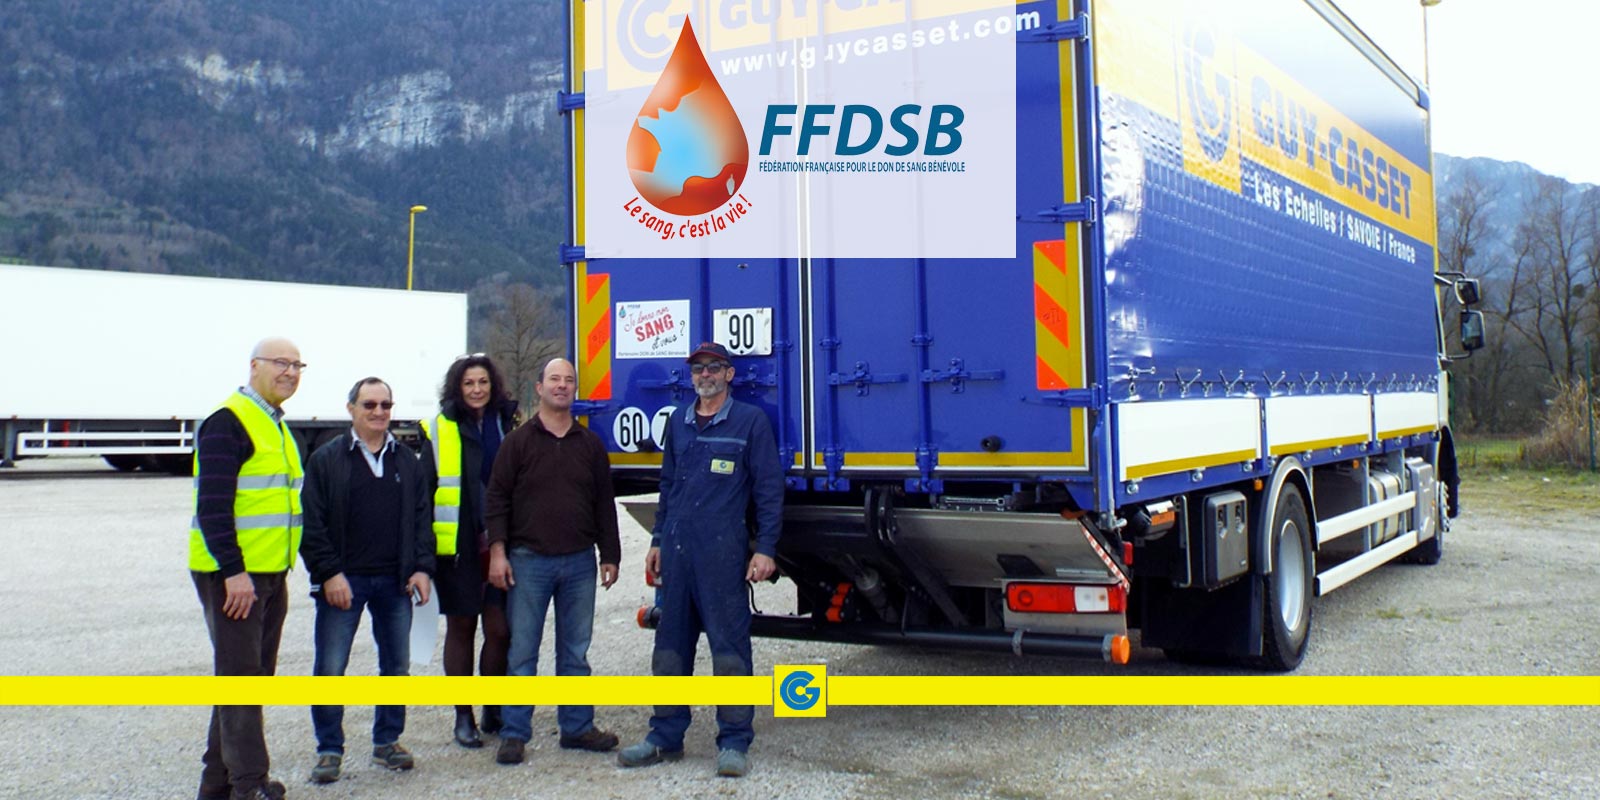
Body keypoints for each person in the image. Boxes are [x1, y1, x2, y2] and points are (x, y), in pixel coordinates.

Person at [617, 342, 783, 778]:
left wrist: (765, 548)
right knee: (669, 650)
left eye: (713, 367)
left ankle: (733, 742)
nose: (704, 374)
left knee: (729, 652)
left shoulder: (750, 422)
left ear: (729, 374)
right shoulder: (678, 423)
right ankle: (664, 736)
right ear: (691, 376)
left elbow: (768, 490)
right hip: (676, 553)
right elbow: (668, 486)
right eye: (697, 369)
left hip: (723, 555)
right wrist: (655, 540)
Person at [298, 377, 435, 784]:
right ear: (351, 409)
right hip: (342, 583)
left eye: (386, 405)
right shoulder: (326, 459)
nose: (379, 412)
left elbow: (421, 520)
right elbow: (313, 525)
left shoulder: (407, 462)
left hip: (394, 583)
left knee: (396, 667)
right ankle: (328, 749)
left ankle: (387, 742)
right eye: (370, 405)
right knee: (330, 667)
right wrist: (328, 574)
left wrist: (422, 568)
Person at [485, 357, 623, 765]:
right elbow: (496, 500)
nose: (562, 386)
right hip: (528, 562)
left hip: (580, 563)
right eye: (554, 380)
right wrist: (498, 552)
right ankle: (514, 733)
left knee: (575, 653)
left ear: (574, 390)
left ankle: (577, 728)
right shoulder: (518, 443)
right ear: (539, 388)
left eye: (569, 381)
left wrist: (610, 555)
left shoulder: (590, 445)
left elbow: (604, 504)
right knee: (522, 653)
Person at [190, 337, 305, 800]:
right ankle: (249, 785)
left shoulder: (274, 424)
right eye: (281, 363)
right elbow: (213, 507)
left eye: (298, 365)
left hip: (268, 573)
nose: (291, 372)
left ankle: (216, 784)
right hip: (234, 577)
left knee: (248, 675)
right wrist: (234, 572)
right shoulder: (228, 422)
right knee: (241, 680)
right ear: (254, 366)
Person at [417, 354, 517, 748]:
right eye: (469, 384)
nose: (477, 390)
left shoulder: (506, 422)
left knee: (500, 630)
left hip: (500, 543)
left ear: (493, 386)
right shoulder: (440, 427)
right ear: (457, 388)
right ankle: (463, 716)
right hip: (456, 546)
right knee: (462, 628)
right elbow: (424, 493)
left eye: (483, 383)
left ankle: (493, 706)